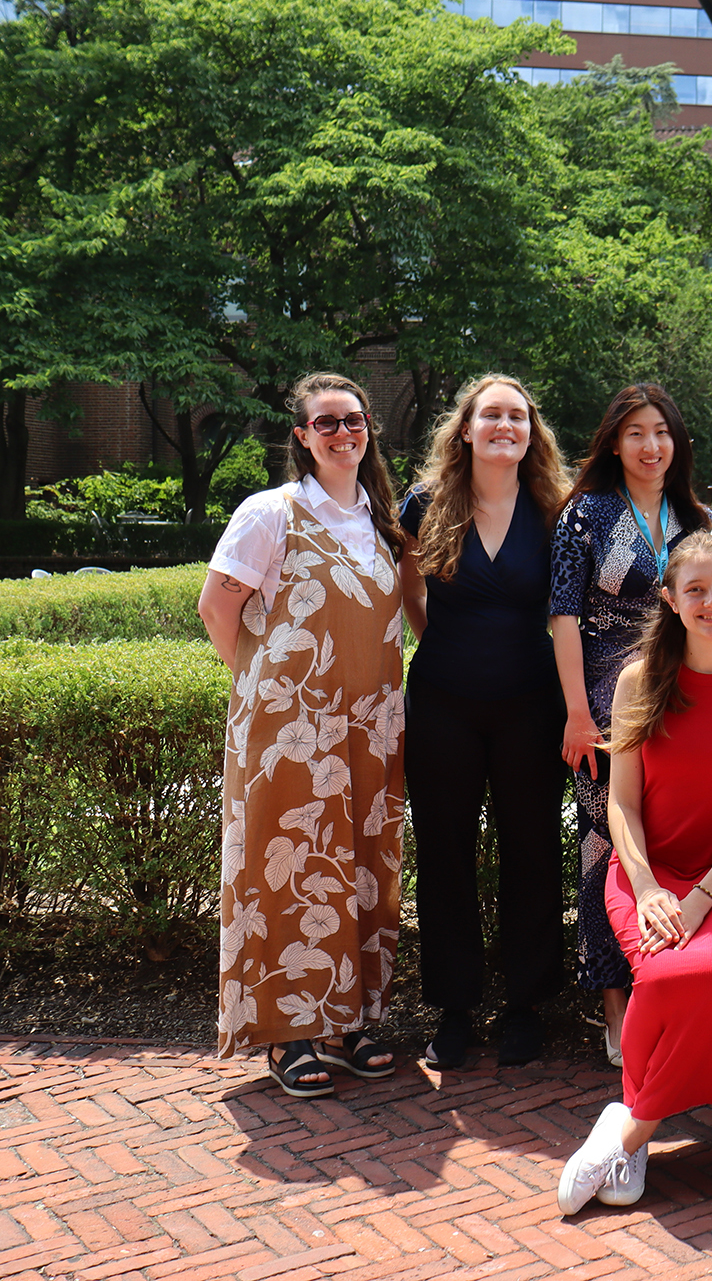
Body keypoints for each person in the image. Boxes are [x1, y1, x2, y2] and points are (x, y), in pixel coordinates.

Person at [555, 534, 712, 1215]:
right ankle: (637, 1126)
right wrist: (651, 887)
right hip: (646, 871)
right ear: (669, 598)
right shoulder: (640, 679)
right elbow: (622, 806)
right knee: (664, 975)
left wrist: (701, 900)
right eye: (694, 589)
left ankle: (627, 1128)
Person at [198, 372, 408, 1096]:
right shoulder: (271, 513)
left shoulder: (382, 519)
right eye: (326, 423)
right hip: (292, 729)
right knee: (284, 871)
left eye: (353, 420)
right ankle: (287, 1032)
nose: (342, 433)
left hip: (371, 730)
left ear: (368, 427)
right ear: (302, 436)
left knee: (362, 866)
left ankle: (348, 1020)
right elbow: (216, 606)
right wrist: (267, 686)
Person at [397, 375, 572, 1069]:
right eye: (491, 414)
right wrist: (442, 644)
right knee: (445, 854)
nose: (505, 425)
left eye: (518, 415)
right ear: (465, 429)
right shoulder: (425, 505)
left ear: (531, 432)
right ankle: (453, 1007)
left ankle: (526, 1005)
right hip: (443, 704)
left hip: (532, 704)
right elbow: (411, 591)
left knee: (531, 850)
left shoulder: (555, 508)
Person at [552, 384, 708, 1067]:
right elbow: (562, 615)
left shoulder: (695, 516)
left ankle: (664, 989)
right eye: (637, 432)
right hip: (605, 705)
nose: (652, 445)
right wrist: (577, 713)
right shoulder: (586, 513)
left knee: (672, 843)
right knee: (604, 847)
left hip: (680, 703)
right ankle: (613, 1005)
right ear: (614, 441)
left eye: (662, 432)